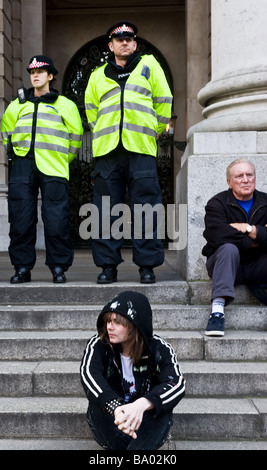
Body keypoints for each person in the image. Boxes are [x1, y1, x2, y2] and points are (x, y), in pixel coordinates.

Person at [84, 21, 173, 284]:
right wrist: (104, 131)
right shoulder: (97, 75)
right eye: (119, 39)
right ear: (111, 46)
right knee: (105, 210)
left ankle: (147, 266)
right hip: (108, 151)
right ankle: (108, 266)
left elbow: (164, 102)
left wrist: (153, 130)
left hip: (141, 148)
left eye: (129, 39)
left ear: (135, 44)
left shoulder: (150, 66)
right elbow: (91, 112)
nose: (124, 42)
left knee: (146, 207)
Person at [1, 55, 83, 284]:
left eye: (41, 71)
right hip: (23, 165)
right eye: (32, 72)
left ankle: (58, 267)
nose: (35, 75)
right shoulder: (17, 104)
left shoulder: (64, 105)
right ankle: (22, 268)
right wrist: (17, 155)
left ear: (51, 76)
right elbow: (6, 133)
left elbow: (75, 138)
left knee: (56, 219)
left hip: (54, 166)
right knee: (20, 219)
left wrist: (61, 159)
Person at [80, 290, 185, 450]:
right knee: (97, 402)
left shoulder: (159, 348)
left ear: (135, 325)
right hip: (112, 420)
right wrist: (115, 407)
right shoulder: (99, 344)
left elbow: (176, 384)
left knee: (162, 407)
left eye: (117, 322)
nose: (109, 327)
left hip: (145, 422)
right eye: (108, 321)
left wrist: (142, 405)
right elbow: (89, 375)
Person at [202, 158, 267, 336]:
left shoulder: (265, 201)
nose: (245, 180)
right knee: (229, 248)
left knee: (232, 244)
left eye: (249, 175)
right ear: (229, 182)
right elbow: (217, 235)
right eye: (239, 176)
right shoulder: (217, 203)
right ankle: (217, 312)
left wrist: (246, 228)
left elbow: (229, 233)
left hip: (259, 265)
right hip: (227, 265)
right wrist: (258, 238)